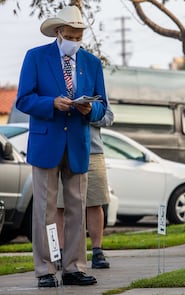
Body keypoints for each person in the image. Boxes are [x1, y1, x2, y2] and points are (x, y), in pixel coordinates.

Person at [15, 6, 107, 287]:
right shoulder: (35, 57)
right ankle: (44, 269)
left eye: (79, 35)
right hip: (46, 143)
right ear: (58, 32)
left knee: (78, 207)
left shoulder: (92, 63)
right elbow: (23, 99)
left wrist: (87, 111)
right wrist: (50, 103)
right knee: (44, 209)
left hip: (79, 144)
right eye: (70, 34)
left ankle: (74, 267)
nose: (74, 39)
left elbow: (102, 106)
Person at [56, 106, 114, 269]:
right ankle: (60, 252)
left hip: (92, 151)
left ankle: (97, 251)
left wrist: (89, 112)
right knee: (59, 205)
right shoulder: (55, 83)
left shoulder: (93, 83)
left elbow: (108, 117)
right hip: (63, 149)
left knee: (95, 202)